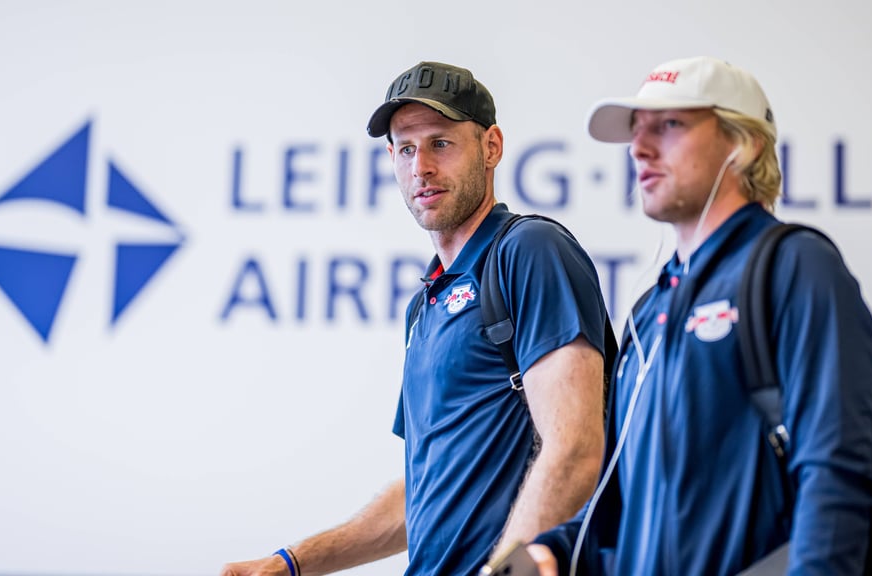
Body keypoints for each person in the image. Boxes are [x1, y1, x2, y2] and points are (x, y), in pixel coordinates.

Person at [221, 61, 611, 575]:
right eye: (406, 149)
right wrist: (290, 564)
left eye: (441, 143)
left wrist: (503, 572)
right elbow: (426, 492)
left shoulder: (529, 250)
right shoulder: (426, 302)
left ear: (491, 147)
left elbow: (575, 449)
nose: (420, 166)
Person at [528, 56, 872, 575]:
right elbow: (621, 509)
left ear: (745, 144)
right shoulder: (651, 310)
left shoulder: (796, 267)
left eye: (669, 126)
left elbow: (835, 479)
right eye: (636, 131)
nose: (640, 148)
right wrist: (553, 551)